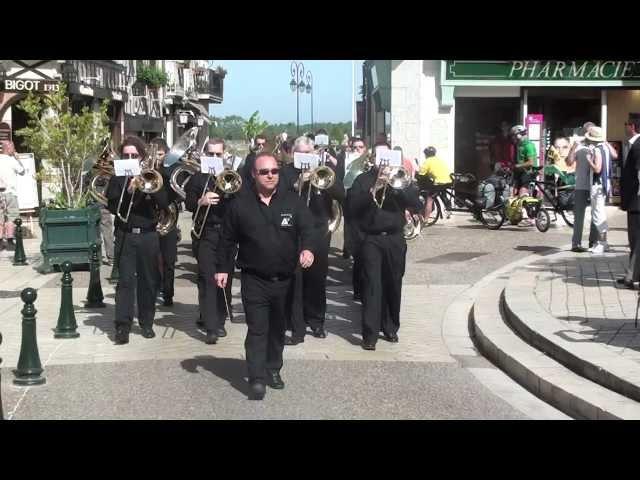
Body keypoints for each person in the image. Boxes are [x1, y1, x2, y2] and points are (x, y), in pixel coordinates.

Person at [215, 152, 315, 400]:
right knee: (258, 329)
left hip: (285, 279)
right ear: (253, 174)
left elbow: (309, 229)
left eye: (275, 171)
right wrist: (222, 269)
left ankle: (273, 369)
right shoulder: (240, 205)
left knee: (277, 329)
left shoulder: (293, 201)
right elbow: (227, 241)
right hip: (254, 278)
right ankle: (257, 377)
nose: (271, 176)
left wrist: (308, 249)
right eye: (264, 172)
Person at [348, 146, 422, 350]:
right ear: (374, 158)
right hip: (371, 239)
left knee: (393, 283)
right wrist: (375, 188)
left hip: (394, 238)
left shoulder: (400, 179)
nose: (384, 162)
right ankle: (370, 335)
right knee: (372, 286)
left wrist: (401, 186)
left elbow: (416, 204)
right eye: (381, 157)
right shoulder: (363, 180)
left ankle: (390, 327)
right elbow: (352, 208)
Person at [280, 135, 345, 344]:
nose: (304, 157)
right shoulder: (286, 172)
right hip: (293, 233)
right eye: (300, 153)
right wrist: (299, 182)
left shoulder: (324, 171)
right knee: (294, 278)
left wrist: (324, 181)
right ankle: (293, 320)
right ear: (294, 154)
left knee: (317, 278)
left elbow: (341, 194)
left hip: (318, 232)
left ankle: (317, 321)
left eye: (308, 153)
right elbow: (279, 196)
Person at [106, 136, 169, 344]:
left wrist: (149, 186)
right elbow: (113, 206)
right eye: (127, 155)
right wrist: (128, 189)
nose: (131, 158)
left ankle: (146, 323)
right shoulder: (117, 177)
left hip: (148, 235)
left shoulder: (153, 175)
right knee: (125, 281)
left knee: (149, 282)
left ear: (142, 156)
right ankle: (122, 326)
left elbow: (164, 203)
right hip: (125, 233)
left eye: (134, 155)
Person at [185, 138, 238, 344]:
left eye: (218, 154)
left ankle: (221, 319)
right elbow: (188, 203)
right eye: (211, 154)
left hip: (227, 235)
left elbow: (240, 202)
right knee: (207, 278)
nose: (214, 158)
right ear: (205, 155)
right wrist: (201, 200)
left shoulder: (232, 177)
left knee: (225, 279)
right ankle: (211, 326)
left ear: (224, 155)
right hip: (206, 233)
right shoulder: (198, 178)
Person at [566, 124, 605, 253]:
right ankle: (576, 243)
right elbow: (569, 162)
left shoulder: (599, 146)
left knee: (596, 215)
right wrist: (573, 148)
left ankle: (593, 242)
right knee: (579, 216)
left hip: (594, 185)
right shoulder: (580, 146)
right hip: (581, 185)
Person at [151, 137, 180, 307]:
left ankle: (168, 293)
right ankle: (154, 288)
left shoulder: (172, 168)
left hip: (169, 217)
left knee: (169, 260)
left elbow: (177, 193)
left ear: (166, 154)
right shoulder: (147, 169)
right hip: (151, 219)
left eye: (160, 154)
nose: (157, 157)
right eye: (155, 154)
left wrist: (164, 170)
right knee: (153, 260)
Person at [344, 138, 369, 300]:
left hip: (375, 219)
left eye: (361, 147)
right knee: (360, 257)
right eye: (355, 147)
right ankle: (359, 290)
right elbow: (346, 188)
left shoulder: (370, 164)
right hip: (358, 216)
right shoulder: (353, 167)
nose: (358, 150)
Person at [617, 117, 640, 289]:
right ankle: (633, 274)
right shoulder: (634, 144)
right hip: (634, 201)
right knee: (634, 240)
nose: (625, 127)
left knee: (636, 239)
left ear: (632, 126)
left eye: (626, 124)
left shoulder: (638, 146)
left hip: (637, 201)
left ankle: (632, 276)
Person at [510, 125, 538, 226]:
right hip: (519, 173)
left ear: (519, 135)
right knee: (514, 194)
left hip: (528, 173)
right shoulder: (519, 145)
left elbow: (530, 162)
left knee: (523, 194)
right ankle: (517, 216)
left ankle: (529, 218)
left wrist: (518, 165)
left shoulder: (528, 145)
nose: (513, 138)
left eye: (513, 136)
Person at [0, 141, 26, 250]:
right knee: (11, 216)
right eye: (13, 147)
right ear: (8, 148)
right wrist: (18, 158)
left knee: (0, 217)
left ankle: (0, 242)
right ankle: (10, 242)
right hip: (10, 192)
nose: (14, 149)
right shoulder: (12, 160)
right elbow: (22, 171)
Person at [417, 146, 452, 221]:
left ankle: (425, 220)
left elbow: (421, 174)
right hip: (448, 181)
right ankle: (448, 208)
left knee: (430, 199)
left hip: (439, 182)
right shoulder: (439, 160)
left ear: (426, 154)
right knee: (443, 193)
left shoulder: (428, 161)